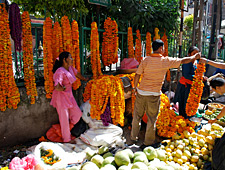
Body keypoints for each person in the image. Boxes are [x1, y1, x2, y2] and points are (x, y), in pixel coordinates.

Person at [131, 40, 200, 149]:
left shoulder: (145, 60)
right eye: (163, 48)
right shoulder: (165, 61)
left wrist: (135, 88)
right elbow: (183, 61)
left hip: (141, 92)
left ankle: (133, 138)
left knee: (137, 116)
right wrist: (194, 57)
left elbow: (137, 74)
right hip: (154, 95)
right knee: (152, 119)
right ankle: (148, 142)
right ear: (161, 48)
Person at [50, 51, 88, 143]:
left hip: (69, 96)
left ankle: (64, 129)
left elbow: (77, 73)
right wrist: (62, 89)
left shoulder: (70, 68)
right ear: (64, 59)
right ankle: (66, 139)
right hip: (61, 98)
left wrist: (85, 79)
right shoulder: (59, 71)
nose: (72, 59)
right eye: (70, 57)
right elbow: (57, 86)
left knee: (78, 114)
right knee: (64, 119)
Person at [173, 46, 200, 118]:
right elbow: (186, 75)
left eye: (197, 53)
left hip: (191, 86)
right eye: (194, 53)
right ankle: (184, 118)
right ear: (189, 54)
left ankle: (188, 118)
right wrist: (197, 78)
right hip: (185, 86)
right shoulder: (187, 62)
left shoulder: (196, 62)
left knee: (190, 104)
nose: (196, 55)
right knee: (184, 103)